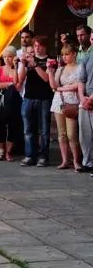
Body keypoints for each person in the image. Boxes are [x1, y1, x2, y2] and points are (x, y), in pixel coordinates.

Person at [18, 34, 54, 167]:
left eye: (39, 46)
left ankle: (43, 156)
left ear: (45, 46)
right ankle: (29, 155)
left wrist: (36, 65)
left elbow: (46, 79)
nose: (37, 48)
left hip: (44, 98)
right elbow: (21, 79)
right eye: (35, 46)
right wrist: (23, 64)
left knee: (44, 130)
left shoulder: (50, 60)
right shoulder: (29, 60)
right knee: (28, 129)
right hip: (28, 97)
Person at [49, 41, 83, 171]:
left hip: (73, 102)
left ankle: (76, 161)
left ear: (74, 54)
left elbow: (79, 84)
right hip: (59, 102)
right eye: (63, 54)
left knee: (72, 134)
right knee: (61, 134)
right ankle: (64, 160)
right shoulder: (61, 68)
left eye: (67, 54)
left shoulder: (80, 67)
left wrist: (63, 88)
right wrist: (51, 73)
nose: (64, 57)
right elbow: (53, 86)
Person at [0, 47, 22, 161]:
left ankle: (8, 152)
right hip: (1, 98)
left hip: (14, 99)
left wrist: (14, 67)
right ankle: (0, 152)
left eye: (9, 56)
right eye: (4, 57)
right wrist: (9, 84)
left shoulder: (17, 68)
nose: (6, 59)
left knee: (13, 125)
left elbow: (16, 82)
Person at [77, 48, 93, 173]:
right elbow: (81, 79)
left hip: (91, 99)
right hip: (85, 99)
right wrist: (82, 98)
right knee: (84, 134)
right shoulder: (87, 56)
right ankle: (87, 162)